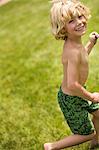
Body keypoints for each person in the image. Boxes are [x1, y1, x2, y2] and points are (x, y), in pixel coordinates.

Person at [44, 0, 99, 149]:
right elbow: (72, 85)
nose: (80, 22)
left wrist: (91, 44)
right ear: (63, 28)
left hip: (78, 92)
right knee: (86, 133)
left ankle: (96, 141)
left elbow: (83, 58)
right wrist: (91, 97)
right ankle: (51, 147)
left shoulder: (76, 43)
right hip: (71, 98)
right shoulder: (71, 51)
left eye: (80, 16)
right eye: (71, 21)